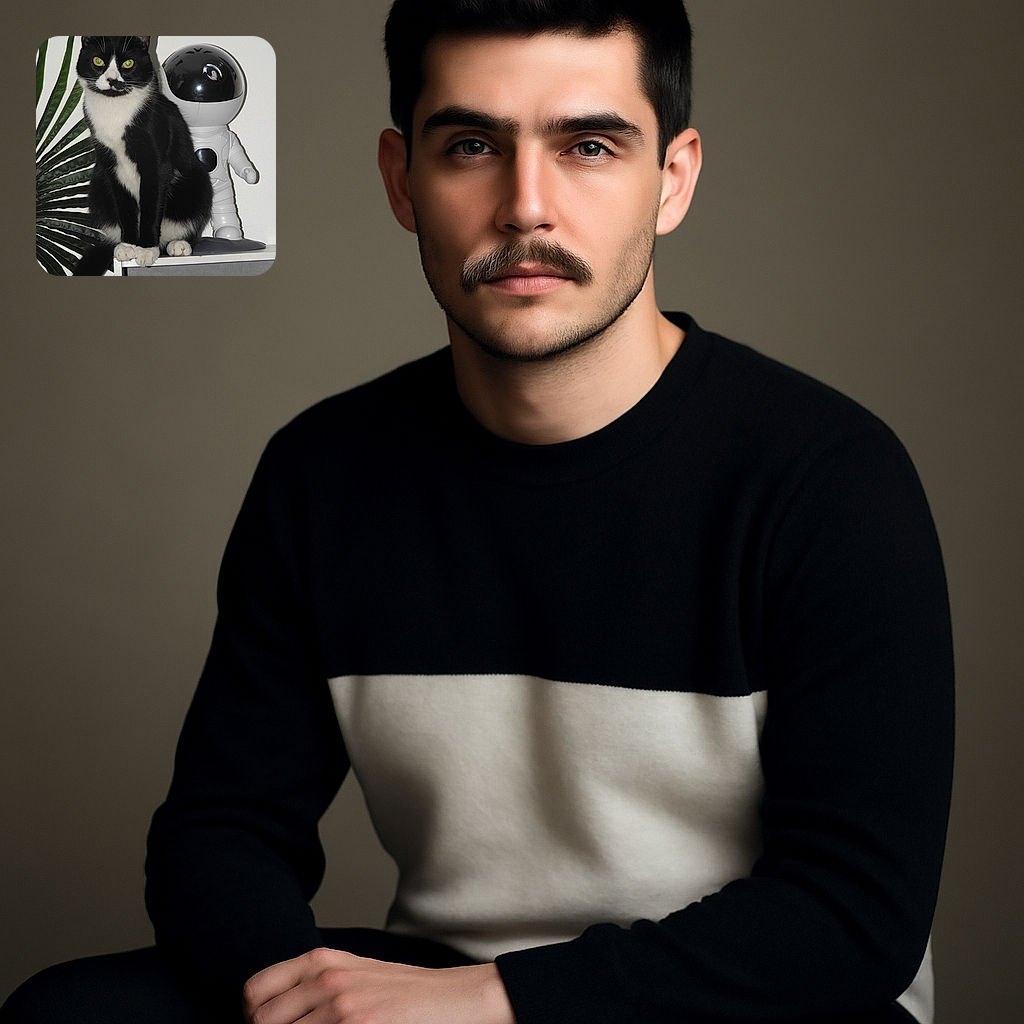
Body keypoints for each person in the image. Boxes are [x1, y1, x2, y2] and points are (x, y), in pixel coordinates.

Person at [2, 2, 954, 1022]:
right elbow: (218, 835)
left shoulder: (827, 478)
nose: (525, 207)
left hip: (747, 999)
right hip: (445, 983)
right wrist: (313, 1003)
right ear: (400, 179)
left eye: (588, 145)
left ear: (671, 179)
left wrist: (507, 999)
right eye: (469, 146)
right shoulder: (326, 474)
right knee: (74, 1011)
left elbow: (852, 914)